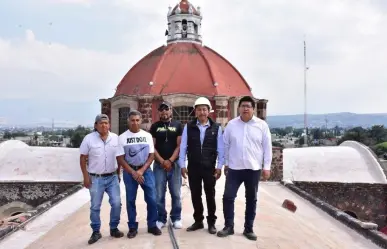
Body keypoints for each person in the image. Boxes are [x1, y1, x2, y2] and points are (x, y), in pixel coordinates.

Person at [217, 96, 273, 241]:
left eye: (248, 106)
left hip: (253, 169)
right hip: (234, 169)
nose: (245, 108)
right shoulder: (231, 125)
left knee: (251, 199)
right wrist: (226, 163)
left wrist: (266, 167)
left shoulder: (262, 126)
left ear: (253, 109)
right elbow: (225, 145)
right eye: (243, 106)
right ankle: (229, 226)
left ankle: (249, 229)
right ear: (239, 108)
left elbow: (267, 147)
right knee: (228, 197)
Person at [178, 97, 224, 234]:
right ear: (195, 112)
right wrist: (182, 164)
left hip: (209, 167)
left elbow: (220, 149)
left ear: (209, 111)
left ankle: (211, 223)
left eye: (204, 109)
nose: (202, 112)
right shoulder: (189, 126)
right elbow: (183, 147)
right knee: (195, 195)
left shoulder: (216, 128)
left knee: (210, 195)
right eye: (199, 110)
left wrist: (219, 166)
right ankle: (198, 221)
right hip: (193, 167)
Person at [79, 114, 124, 245]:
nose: (104, 125)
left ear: (109, 124)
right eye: (101, 123)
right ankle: (96, 231)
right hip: (96, 179)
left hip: (112, 177)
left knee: (116, 203)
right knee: (95, 206)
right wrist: (85, 177)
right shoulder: (89, 139)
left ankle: (114, 228)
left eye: (106, 123)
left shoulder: (115, 138)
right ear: (96, 125)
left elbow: (119, 157)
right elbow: (82, 158)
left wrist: (118, 173)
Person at [116, 110, 162, 238]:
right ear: (128, 121)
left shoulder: (147, 136)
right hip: (129, 172)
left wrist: (141, 171)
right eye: (132, 120)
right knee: (130, 200)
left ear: (140, 121)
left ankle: (152, 225)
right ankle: (132, 227)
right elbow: (120, 158)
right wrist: (133, 172)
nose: (135, 123)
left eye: (137, 120)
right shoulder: (122, 137)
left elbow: (151, 155)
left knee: (152, 199)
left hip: (145, 171)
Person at [150, 101, 183, 229]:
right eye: (161, 109)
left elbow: (180, 145)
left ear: (171, 110)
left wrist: (170, 160)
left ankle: (176, 217)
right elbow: (152, 146)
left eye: (166, 109)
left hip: (174, 165)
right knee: (159, 194)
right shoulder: (154, 126)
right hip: (159, 165)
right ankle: (161, 218)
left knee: (176, 193)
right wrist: (162, 161)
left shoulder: (178, 125)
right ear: (159, 112)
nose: (164, 112)